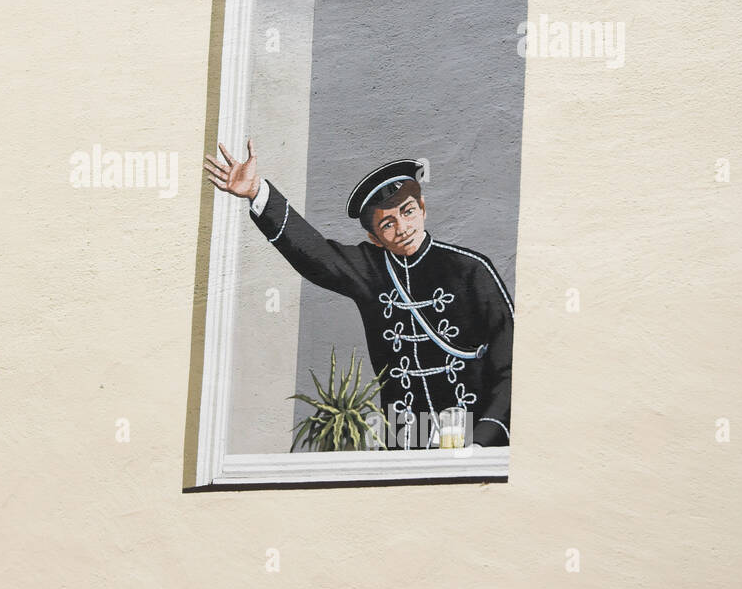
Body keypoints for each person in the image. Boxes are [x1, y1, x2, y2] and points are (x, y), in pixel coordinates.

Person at [204, 141, 513, 448]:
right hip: (403, 446)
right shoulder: (370, 269)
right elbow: (314, 253)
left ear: (423, 209)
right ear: (373, 237)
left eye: (408, 212)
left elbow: (510, 364)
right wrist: (257, 191)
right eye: (388, 224)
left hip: (474, 441)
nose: (403, 228)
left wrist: (483, 441)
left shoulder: (472, 270)